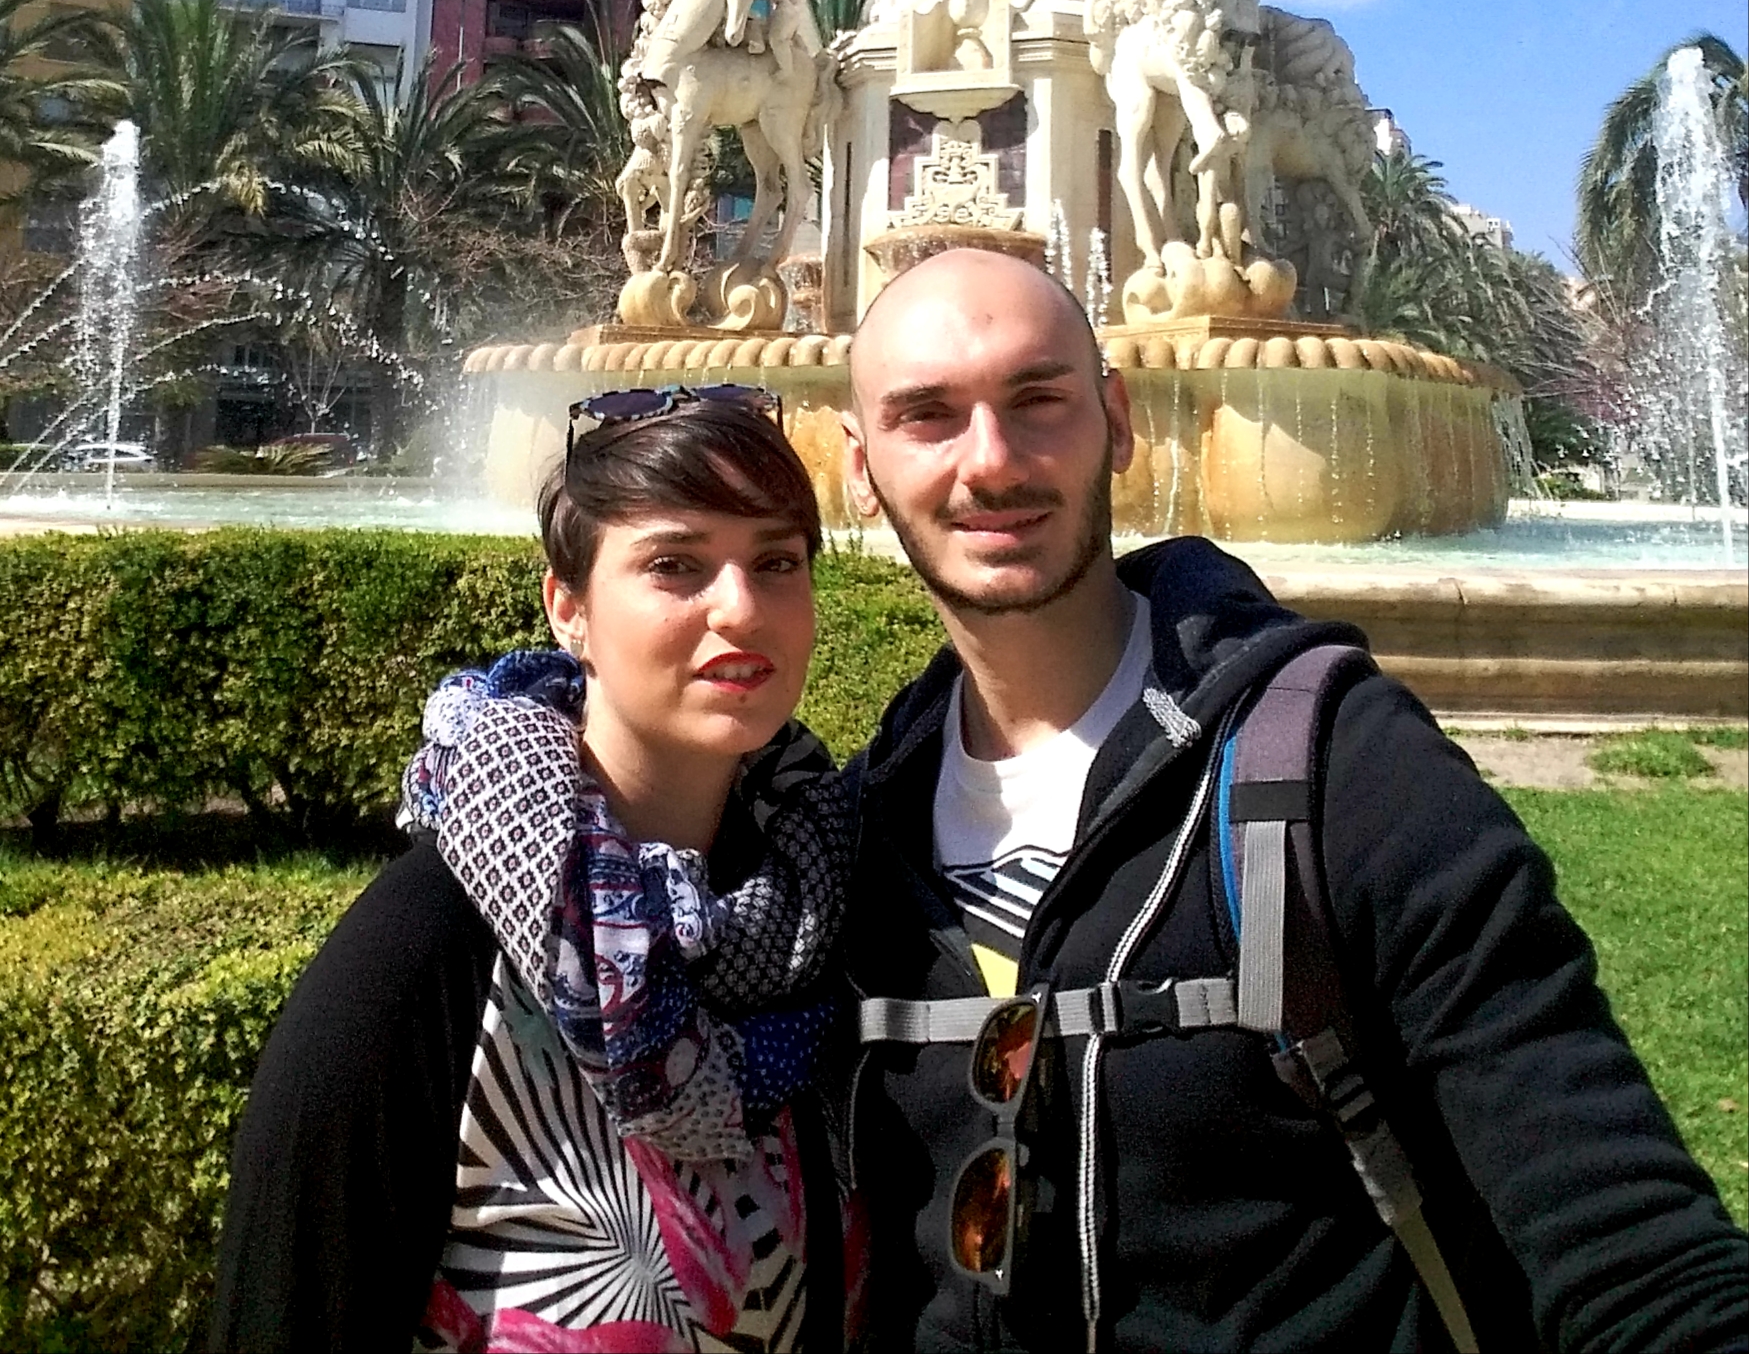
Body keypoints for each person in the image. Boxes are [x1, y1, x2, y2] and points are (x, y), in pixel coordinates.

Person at [837, 247, 1748, 1352]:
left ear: (1117, 421)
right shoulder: (856, 831)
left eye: (1039, 400)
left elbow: (1628, 1243)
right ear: (860, 465)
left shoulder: (1339, 766)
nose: (990, 460)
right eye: (927, 416)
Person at [208, 385, 852, 1353]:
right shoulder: (423, 955)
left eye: (777, 561)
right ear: (568, 608)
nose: (742, 607)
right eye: (674, 564)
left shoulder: (824, 903)